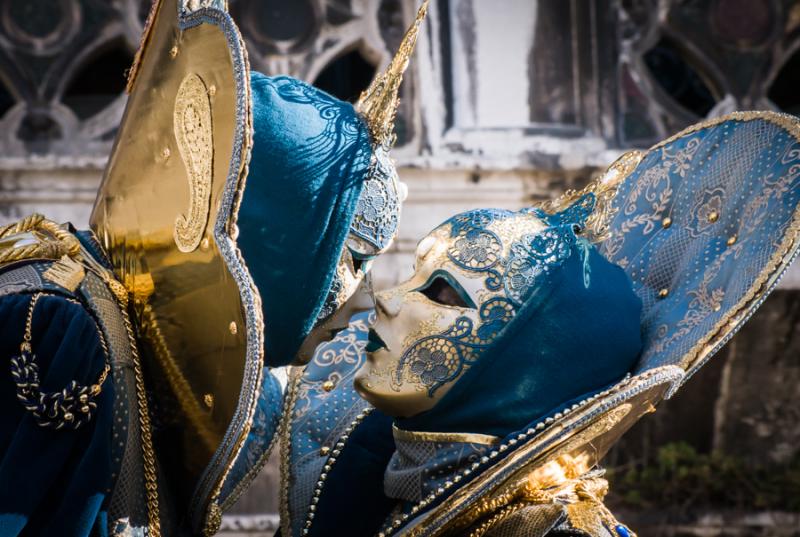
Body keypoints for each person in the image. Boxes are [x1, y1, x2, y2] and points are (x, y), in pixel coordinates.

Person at [0, 0, 426, 534]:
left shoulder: (147, 335)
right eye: (352, 260)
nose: (363, 298)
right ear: (284, 238)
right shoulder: (60, 328)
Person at [278, 111, 800, 536]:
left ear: (527, 360)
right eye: (414, 277)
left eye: (442, 293)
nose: (387, 298)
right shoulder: (363, 483)